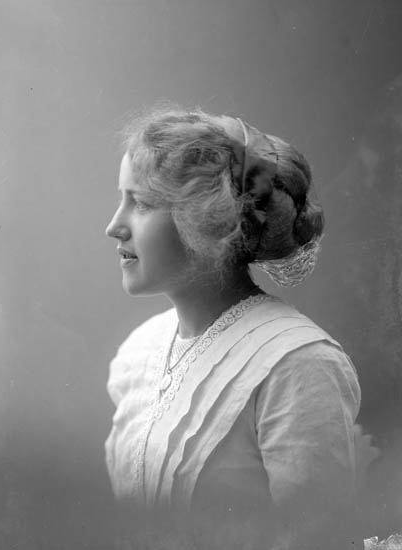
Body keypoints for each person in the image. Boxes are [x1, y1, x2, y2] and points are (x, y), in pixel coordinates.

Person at [104, 106, 363, 550]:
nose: (114, 226)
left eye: (142, 203)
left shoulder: (297, 364)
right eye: (122, 199)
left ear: (209, 219)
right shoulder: (139, 351)